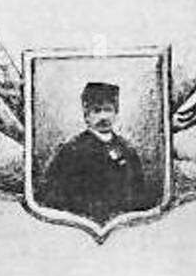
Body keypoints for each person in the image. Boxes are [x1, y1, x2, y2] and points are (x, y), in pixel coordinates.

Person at [41, 81, 148, 226]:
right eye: (97, 111)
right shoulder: (70, 151)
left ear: (116, 113)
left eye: (108, 110)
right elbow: (53, 198)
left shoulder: (128, 150)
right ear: (87, 116)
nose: (103, 117)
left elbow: (140, 196)